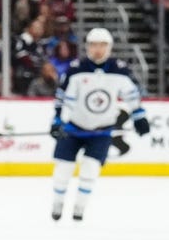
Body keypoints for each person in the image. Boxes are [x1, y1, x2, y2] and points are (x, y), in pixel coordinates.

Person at [49, 28, 149, 221]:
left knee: (90, 169)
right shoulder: (76, 68)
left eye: (102, 45)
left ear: (109, 47)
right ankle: (58, 203)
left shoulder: (119, 69)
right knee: (63, 169)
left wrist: (139, 116)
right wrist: (57, 120)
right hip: (74, 128)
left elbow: (131, 95)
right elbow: (63, 97)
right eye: (94, 45)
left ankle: (79, 208)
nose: (98, 49)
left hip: (101, 132)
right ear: (87, 47)